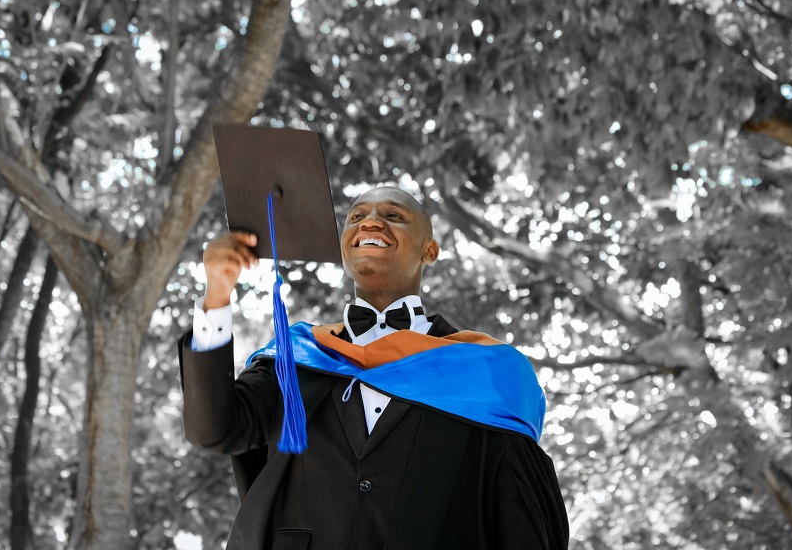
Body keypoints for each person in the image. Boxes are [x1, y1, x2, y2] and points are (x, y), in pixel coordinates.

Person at [177, 185, 569, 550]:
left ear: (429, 251)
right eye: (356, 216)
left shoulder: (486, 373)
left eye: (394, 216)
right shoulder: (297, 358)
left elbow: (520, 518)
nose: (370, 221)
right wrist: (216, 295)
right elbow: (213, 428)